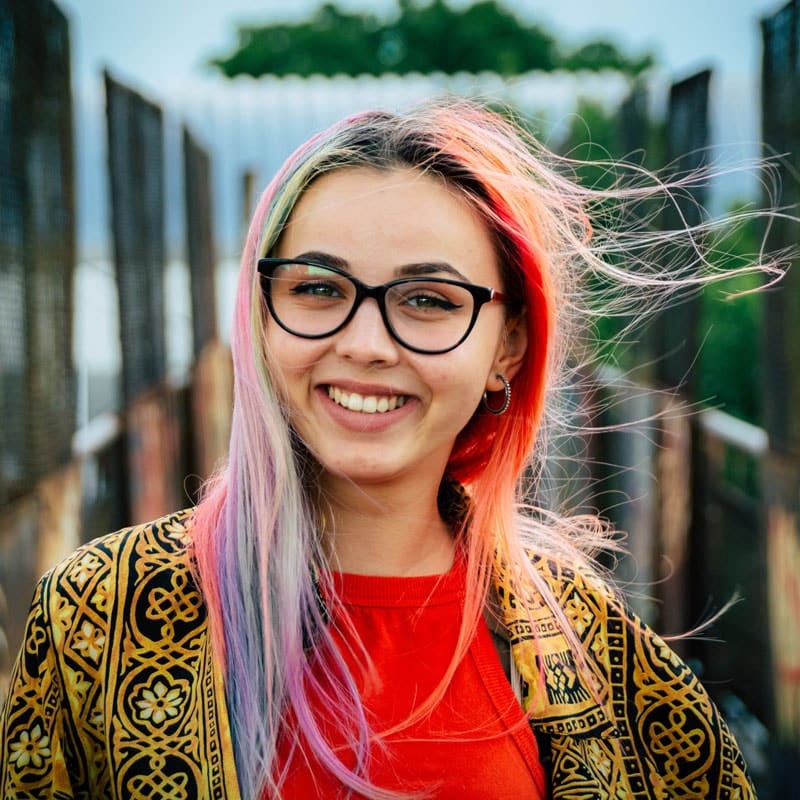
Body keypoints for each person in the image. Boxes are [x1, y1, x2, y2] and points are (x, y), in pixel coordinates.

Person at [1, 99, 763, 799]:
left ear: (509, 345)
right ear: (260, 314)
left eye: (428, 300)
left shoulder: (596, 648)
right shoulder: (97, 616)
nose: (365, 345)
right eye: (318, 289)